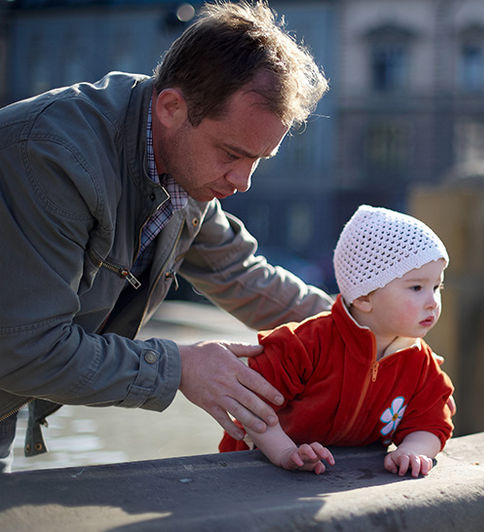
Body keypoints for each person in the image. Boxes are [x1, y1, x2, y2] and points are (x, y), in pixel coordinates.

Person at [0, 1, 334, 473]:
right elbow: (23, 349)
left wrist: (362, 329)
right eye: (233, 153)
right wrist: (179, 367)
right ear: (172, 107)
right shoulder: (52, 158)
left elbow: (243, 275)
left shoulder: (183, 170)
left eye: (259, 160)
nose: (243, 181)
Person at [219, 205, 455, 478]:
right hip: (249, 471)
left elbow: (431, 420)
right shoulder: (302, 345)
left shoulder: (419, 360)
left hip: (345, 475)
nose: (432, 302)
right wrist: (285, 452)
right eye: (417, 287)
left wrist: (414, 449)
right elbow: (253, 403)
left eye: (437, 287)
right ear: (364, 297)